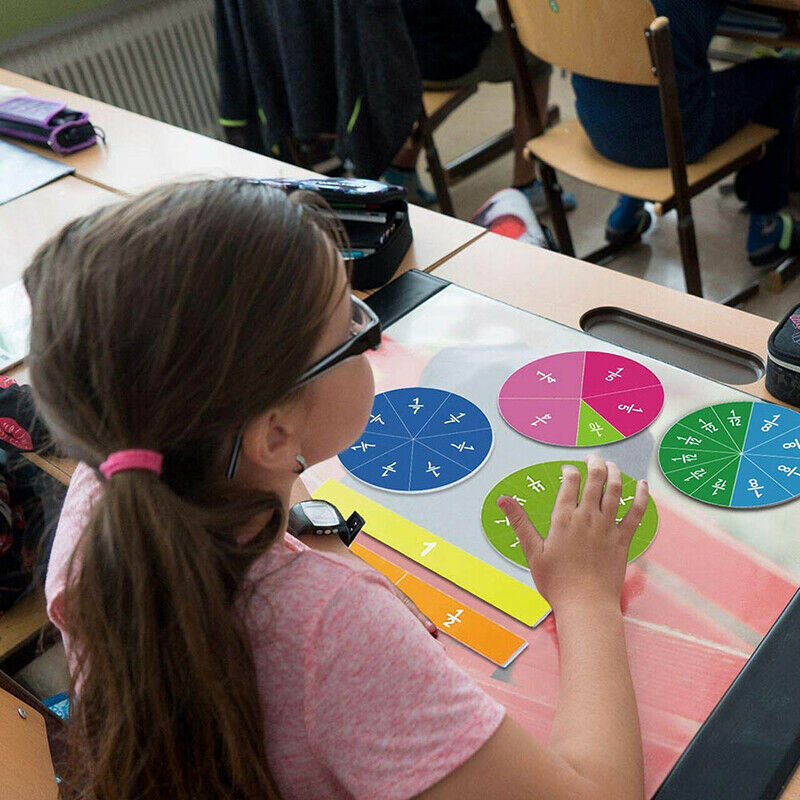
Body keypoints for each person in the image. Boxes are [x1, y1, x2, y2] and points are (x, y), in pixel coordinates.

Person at [28, 178, 647, 800]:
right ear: (274, 435)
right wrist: (586, 596)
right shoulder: (333, 630)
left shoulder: (116, 479)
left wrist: (313, 534)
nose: (368, 331)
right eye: (352, 329)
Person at [572, 3, 800, 265]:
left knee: (642, 56)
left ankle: (628, 208)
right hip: (671, 136)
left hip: (596, 124)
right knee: (780, 74)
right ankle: (766, 227)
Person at [387, 0, 577, 214]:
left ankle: (400, 166)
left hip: (394, 54)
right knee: (535, 58)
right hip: (441, 59)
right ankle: (526, 184)